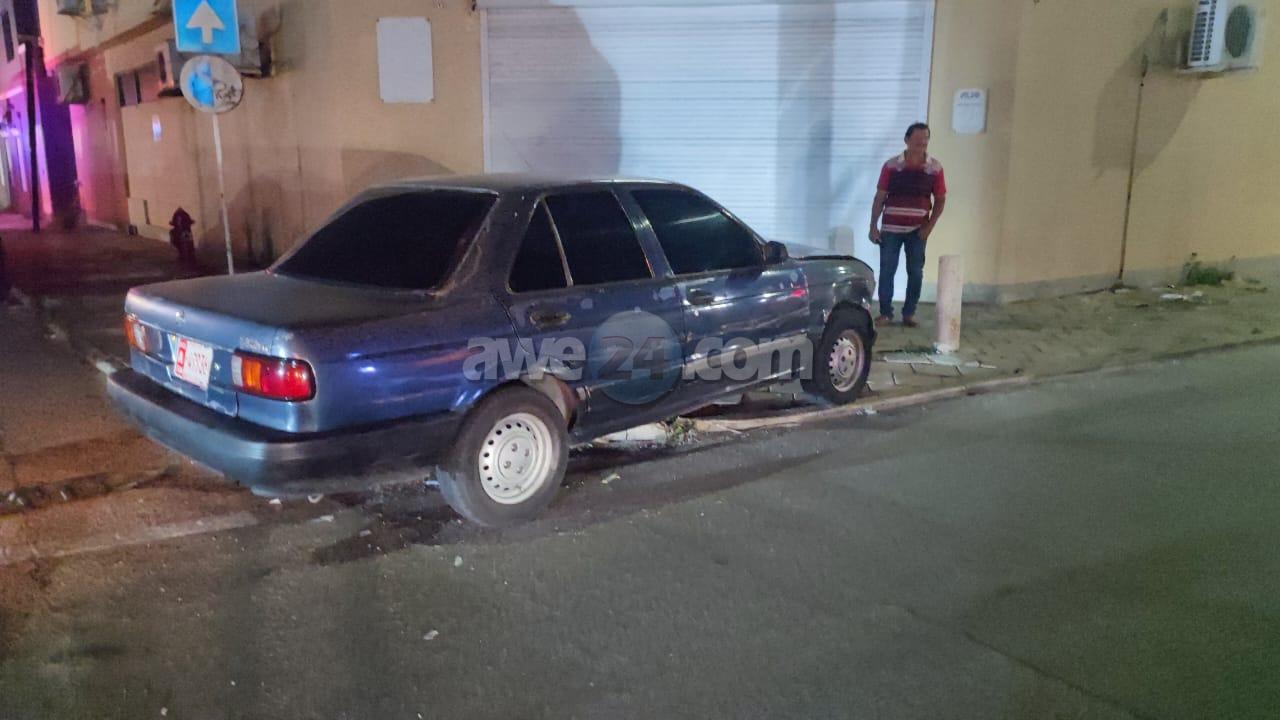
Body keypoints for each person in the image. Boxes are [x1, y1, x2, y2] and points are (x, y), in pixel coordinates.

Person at [869, 123, 947, 328]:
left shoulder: (935, 168)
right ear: (906, 140)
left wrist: (929, 227)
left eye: (925, 140)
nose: (921, 144)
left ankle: (909, 313)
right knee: (887, 270)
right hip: (891, 229)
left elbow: (940, 200)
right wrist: (873, 226)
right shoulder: (891, 166)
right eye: (917, 140)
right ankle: (885, 313)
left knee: (915, 272)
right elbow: (880, 197)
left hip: (918, 230)